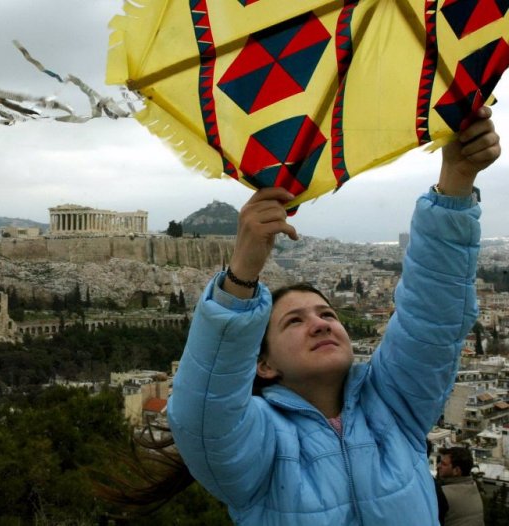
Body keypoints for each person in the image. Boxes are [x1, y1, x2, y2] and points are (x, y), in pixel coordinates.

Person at [166, 105, 500, 526]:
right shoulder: (259, 447)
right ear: (264, 364)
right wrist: (242, 272)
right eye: (294, 321)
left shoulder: (395, 407)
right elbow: (204, 414)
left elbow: (431, 317)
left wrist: (456, 181)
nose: (320, 323)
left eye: (326, 313)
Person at [438, 447, 485, 526]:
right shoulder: (473, 487)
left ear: (456, 471)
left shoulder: (444, 493)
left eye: (444, 464)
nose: (439, 466)